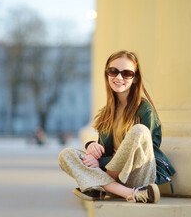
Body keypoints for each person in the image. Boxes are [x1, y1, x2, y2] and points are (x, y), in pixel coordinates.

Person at [58, 50, 176, 203]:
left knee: (140, 131)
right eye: (113, 71)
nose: (119, 77)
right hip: (111, 174)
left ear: (135, 78)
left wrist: (102, 164)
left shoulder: (144, 109)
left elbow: (148, 149)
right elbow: (104, 150)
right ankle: (130, 193)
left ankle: (99, 186)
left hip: (137, 172)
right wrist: (92, 146)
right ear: (107, 74)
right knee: (66, 155)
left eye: (126, 73)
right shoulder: (107, 112)